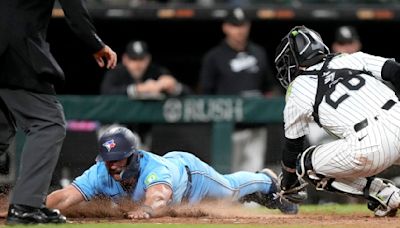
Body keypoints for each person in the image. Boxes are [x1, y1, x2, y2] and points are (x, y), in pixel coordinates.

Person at [0, 0, 117, 224]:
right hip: (14, 52)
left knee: (1, 130)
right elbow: (74, 10)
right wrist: (96, 44)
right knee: (48, 123)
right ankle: (26, 205)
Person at [274, 25, 400, 217]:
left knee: (304, 165)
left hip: (370, 146)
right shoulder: (349, 57)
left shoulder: (298, 88)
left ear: (295, 61)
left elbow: (293, 147)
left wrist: (288, 182)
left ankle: (384, 194)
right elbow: (394, 70)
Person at [42, 127, 298, 219]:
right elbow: (65, 197)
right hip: (178, 194)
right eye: (109, 160)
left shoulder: (154, 170)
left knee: (229, 191)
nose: (113, 165)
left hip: (191, 177)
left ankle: (265, 181)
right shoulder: (100, 172)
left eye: (118, 159)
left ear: (132, 155)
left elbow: (159, 197)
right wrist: (33, 207)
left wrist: (148, 210)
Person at [199, 7, 277, 172]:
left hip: (256, 125)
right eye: (235, 25)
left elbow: (269, 87)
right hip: (228, 128)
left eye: (243, 25)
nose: (240, 30)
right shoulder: (214, 56)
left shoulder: (258, 53)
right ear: (225, 27)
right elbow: (205, 93)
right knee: (228, 176)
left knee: (254, 173)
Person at [101, 40, 190, 99]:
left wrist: (174, 87)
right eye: (134, 59)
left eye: (141, 59)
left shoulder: (156, 71)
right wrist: (138, 89)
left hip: (151, 124)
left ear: (148, 59)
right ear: (125, 59)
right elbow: (105, 93)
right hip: (121, 122)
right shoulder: (117, 71)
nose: (138, 64)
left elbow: (189, 93)